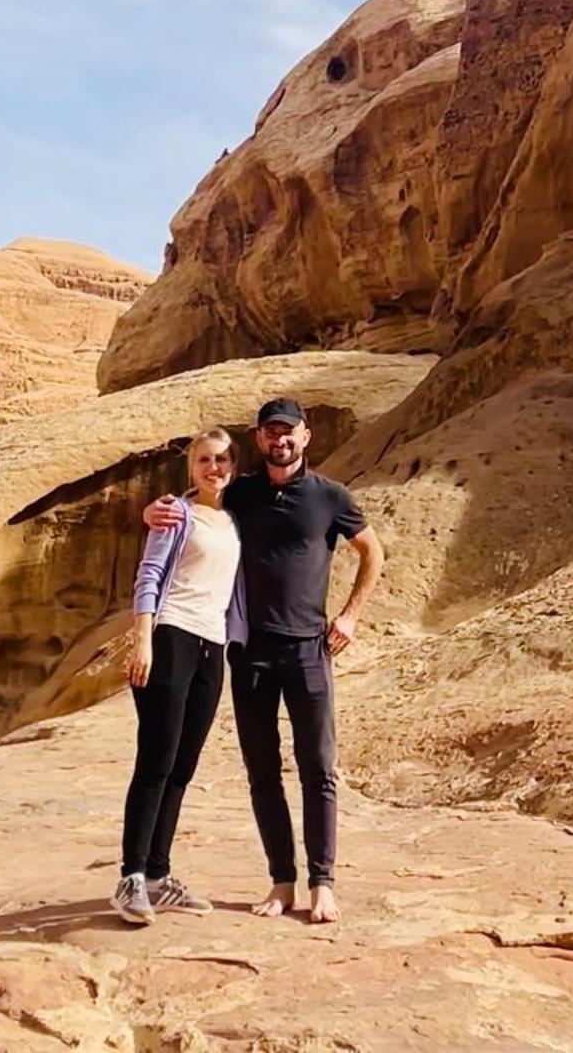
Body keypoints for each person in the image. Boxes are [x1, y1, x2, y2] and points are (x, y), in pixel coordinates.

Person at [143, 395, 385, 924]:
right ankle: (282, 882)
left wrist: (350, 616)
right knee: (262, 772)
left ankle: (323, 883)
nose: (280, 441)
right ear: (259, 440)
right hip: (249, 654)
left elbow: (373, 551)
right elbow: (196, 501)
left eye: (289, 432)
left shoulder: (330, 497)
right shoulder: (243, 494)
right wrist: (153, 510)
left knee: (318, 768)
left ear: (306, 436)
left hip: (307, 651)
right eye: (271, 433)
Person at [114, 426, 246, 926]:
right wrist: (141, 639)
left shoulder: (234, 521)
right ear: (192, 467)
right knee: (156, 759)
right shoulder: (176, 513)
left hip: (213, 646)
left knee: (183, 765)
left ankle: (158, 876)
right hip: (171, 636)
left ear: (234, 465)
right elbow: (149, 575)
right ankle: (130, 878)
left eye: (223, 460)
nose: (214, 468)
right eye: (206, 460)